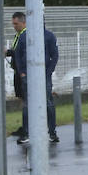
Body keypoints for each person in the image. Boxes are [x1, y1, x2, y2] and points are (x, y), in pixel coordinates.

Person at [9, 12, 60, 145]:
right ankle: (26, 133)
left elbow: (54, 56)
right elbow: (18, 55)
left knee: (48, 102)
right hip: (27, 76)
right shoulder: (24, 36)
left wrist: (48, 72)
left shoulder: (49, 36)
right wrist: (22, 74)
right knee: (27, 104)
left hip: (45, 76)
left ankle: (52, 132)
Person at [6, 12, 26, 140]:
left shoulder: (25, 35)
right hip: (17, 71)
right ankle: (25, 126)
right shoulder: (18, 35)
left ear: (23, 22)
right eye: (13, 24)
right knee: (22, 99)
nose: (14, 26)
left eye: (16, 24)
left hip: (23, 72)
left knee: (26, 100)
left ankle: (28, 127)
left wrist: (8, 52)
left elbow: (21, 52)